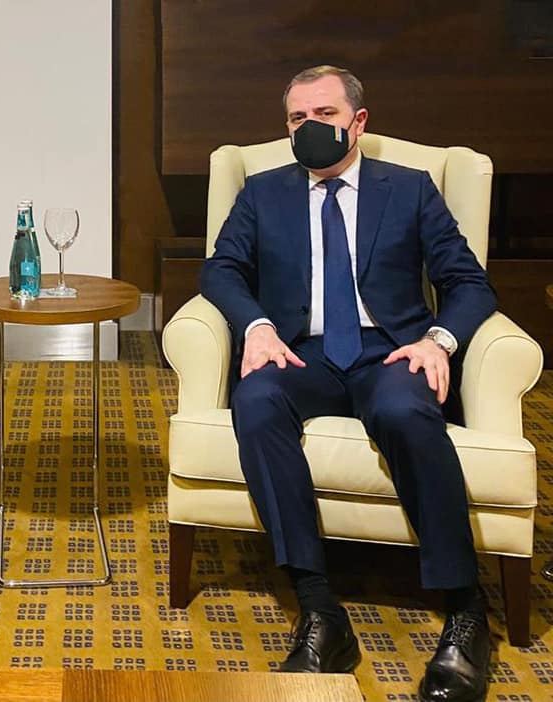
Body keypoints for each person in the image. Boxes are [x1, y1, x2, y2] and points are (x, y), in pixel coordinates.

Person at [200, 65, 496, 702]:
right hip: (299, 350)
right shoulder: (263, 191)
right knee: (256, 401)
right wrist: (255, 326)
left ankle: (466, 609)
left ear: (357, 122)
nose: (309, 127)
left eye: (325, 115)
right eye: (297, 118)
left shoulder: (409, 188)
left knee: (405, 413)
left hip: (389, 351)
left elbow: (468, 282)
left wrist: (438, 340)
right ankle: (319, 610)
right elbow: (221, 270)